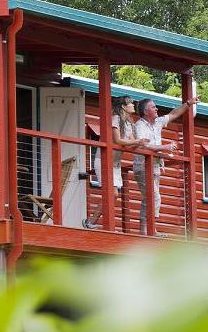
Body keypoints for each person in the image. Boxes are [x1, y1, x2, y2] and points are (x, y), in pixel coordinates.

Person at [133, 96, 198, 236]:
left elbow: (174, 113)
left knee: (149, 198)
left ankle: (147, 230)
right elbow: (144, 145)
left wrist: (188, 104)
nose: (156, 109)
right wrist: (166, 147)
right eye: (153, 107)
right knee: (154, 197)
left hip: (154, 166)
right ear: (145, 111)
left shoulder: (158, 122)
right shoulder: (139, 125)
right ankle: (149, 230)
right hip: (143, 166)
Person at [83, 96, 149, 229]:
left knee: (114, 195)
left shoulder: (129, 122)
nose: (133, 105)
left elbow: (130, 143)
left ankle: (91, 221)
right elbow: (118, 140)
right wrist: (137, 141)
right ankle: (97, 223)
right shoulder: (115, 119)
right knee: (112, 194)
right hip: (103, 161)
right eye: (130, 103)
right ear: (123, 106)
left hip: (115, 164)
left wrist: (145, 144)